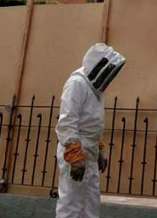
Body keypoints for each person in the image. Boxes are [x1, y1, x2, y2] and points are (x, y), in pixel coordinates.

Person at [55, 43, 126, 218]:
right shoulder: (77, 83)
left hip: (90, 152)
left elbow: (92, 122)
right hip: (77, 152)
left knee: (91, 205)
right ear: (98, 65)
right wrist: (74, 154)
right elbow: (67, 120)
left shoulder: (95, 89)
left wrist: (99, 148)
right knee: (71, 205)